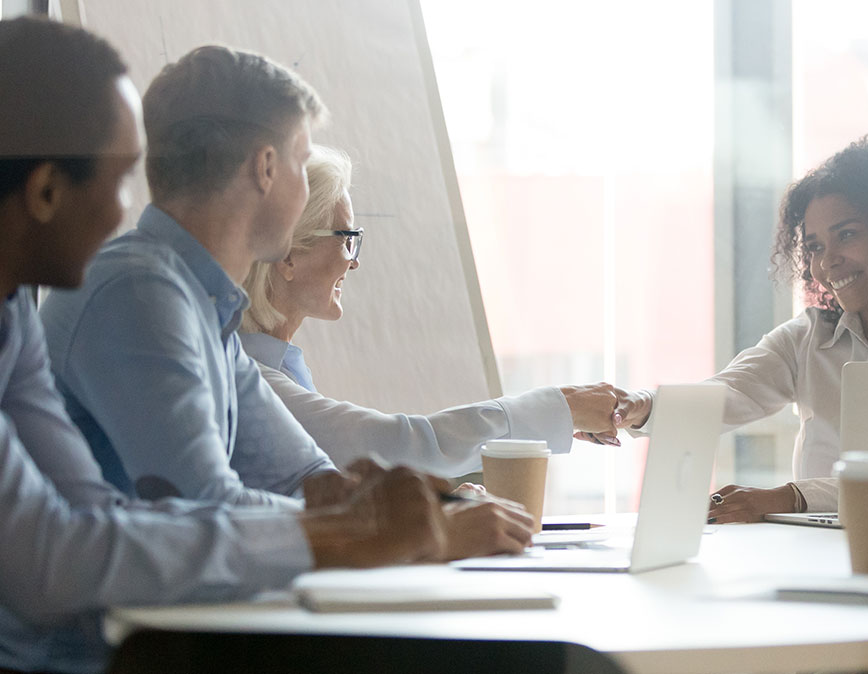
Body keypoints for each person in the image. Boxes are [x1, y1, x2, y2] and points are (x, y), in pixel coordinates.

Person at [0, 17, 454, 674]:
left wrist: (358, 521)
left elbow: (99, 514)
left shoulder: (14, 313)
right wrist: (339, 533)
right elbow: (48, 562)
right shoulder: (134, 287)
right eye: (123, 178)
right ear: (45, 190)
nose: (131, 207)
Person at [38, 43, 533, 557]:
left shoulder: (202, 305)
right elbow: (209, 510)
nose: (304, 189)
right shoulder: (140, 294)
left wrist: (431, 509)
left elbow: (307, 478)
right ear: (266, 168)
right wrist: (413, 532)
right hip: (113, 635)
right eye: (302, 160)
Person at [613, 138, 868, 522]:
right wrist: (636, 406)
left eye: (847, 235)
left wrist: (792, 497)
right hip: (806, 558)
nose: (828, 262)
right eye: (816, 247)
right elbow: (726, 394)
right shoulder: (808, 339)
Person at [238, 145, 636, 477]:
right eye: (346, 238)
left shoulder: (277, 368)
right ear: (288, 254)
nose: (353, 261)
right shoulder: (248, 376)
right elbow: (402, 445)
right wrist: (559, 408)